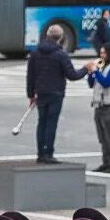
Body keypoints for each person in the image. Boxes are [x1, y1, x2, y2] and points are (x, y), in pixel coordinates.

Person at [25, 26, 77, 163]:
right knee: (51, 123)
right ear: (60, 37)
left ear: (47, 36)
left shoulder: (35, 53)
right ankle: (49, 153)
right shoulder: (61, 55)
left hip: (40, 92)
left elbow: (30, 76)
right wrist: (86, 69)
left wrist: (30, 94)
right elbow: (72, 75)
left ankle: (40, 153)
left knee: (41, 122)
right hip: (56, 93)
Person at [84, 45, 110, 173]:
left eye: (104, 53)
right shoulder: (103, 66)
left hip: (109, 106)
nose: (101, 56)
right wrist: (91, 73)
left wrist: (96, 71)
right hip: (98, 105)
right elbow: (92, 84)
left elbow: (107, 83)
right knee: (103, 137)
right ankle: (106, 162)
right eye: (100, 53)